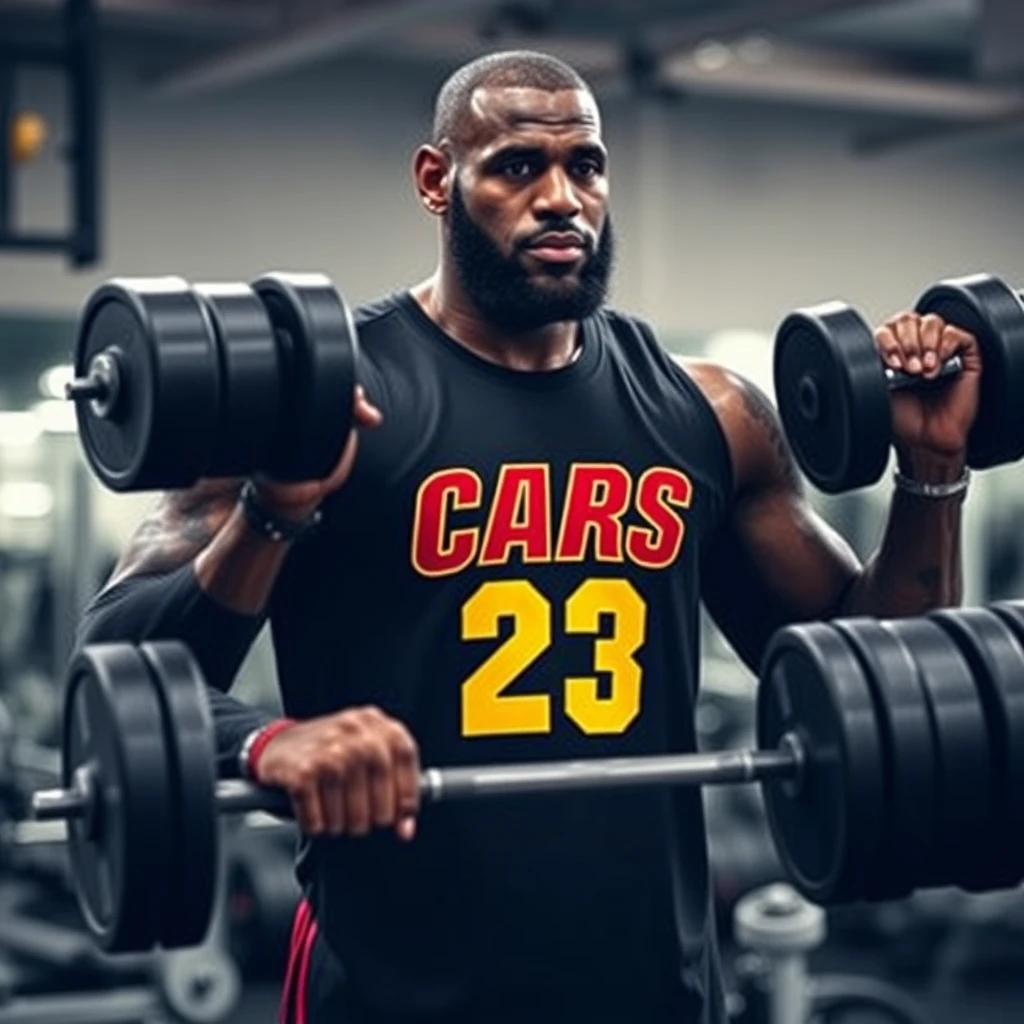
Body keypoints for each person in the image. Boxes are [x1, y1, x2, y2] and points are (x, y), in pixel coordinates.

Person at [78, 50, 980, 1024]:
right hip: (390, 992)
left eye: (584, 166)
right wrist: (270, 711)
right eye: (515, 166)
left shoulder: (703, 414)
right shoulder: (318, 401)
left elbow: (888, 690)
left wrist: (930, 470)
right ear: (437, 181)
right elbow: (125, 666)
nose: (561, 198)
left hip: (654, 990)